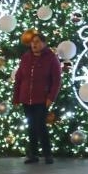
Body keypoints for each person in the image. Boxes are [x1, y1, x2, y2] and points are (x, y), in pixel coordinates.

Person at [12, 33, 62, 164]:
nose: (34, 44)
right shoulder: (26, 57)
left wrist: (51, 97)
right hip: (26, 98)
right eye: (33, 42)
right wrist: (16, 97)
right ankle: (33, 155)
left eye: (38, 41)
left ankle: (47, 154)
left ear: (44, 44)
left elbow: (57, 80)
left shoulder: (51, 58)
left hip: (42, 99)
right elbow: (19, 78)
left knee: (41, 126)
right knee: (31, 126)